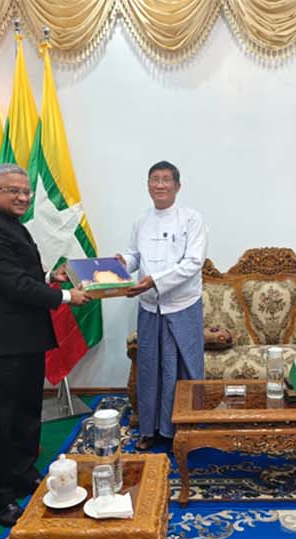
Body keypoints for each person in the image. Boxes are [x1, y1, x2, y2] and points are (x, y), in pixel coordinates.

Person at [0, 163, 89, 525]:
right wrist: (66, 296)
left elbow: (22, 276)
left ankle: (23, 474)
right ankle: (1, 494)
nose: (23, 196)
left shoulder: (11, 225)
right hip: (2, 344)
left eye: (26, 191)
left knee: (25, 414)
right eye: (13, 191)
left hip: (26, 339)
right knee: (0, 422)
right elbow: (13, 286)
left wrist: (49, 277)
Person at [116, 160, 207, 451]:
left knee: (182, 368)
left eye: (166, 180)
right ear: (148, 185)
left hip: (182, 305)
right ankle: (149, 428)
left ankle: (184, 428)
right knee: (150, 369)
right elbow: (134, 257)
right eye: (154, 179)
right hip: (149, 307)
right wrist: (122, 265)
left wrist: (154, 281)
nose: (160, 185)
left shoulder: (192, 219)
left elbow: (193, 263)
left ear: (177, 186)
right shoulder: (141, 220)